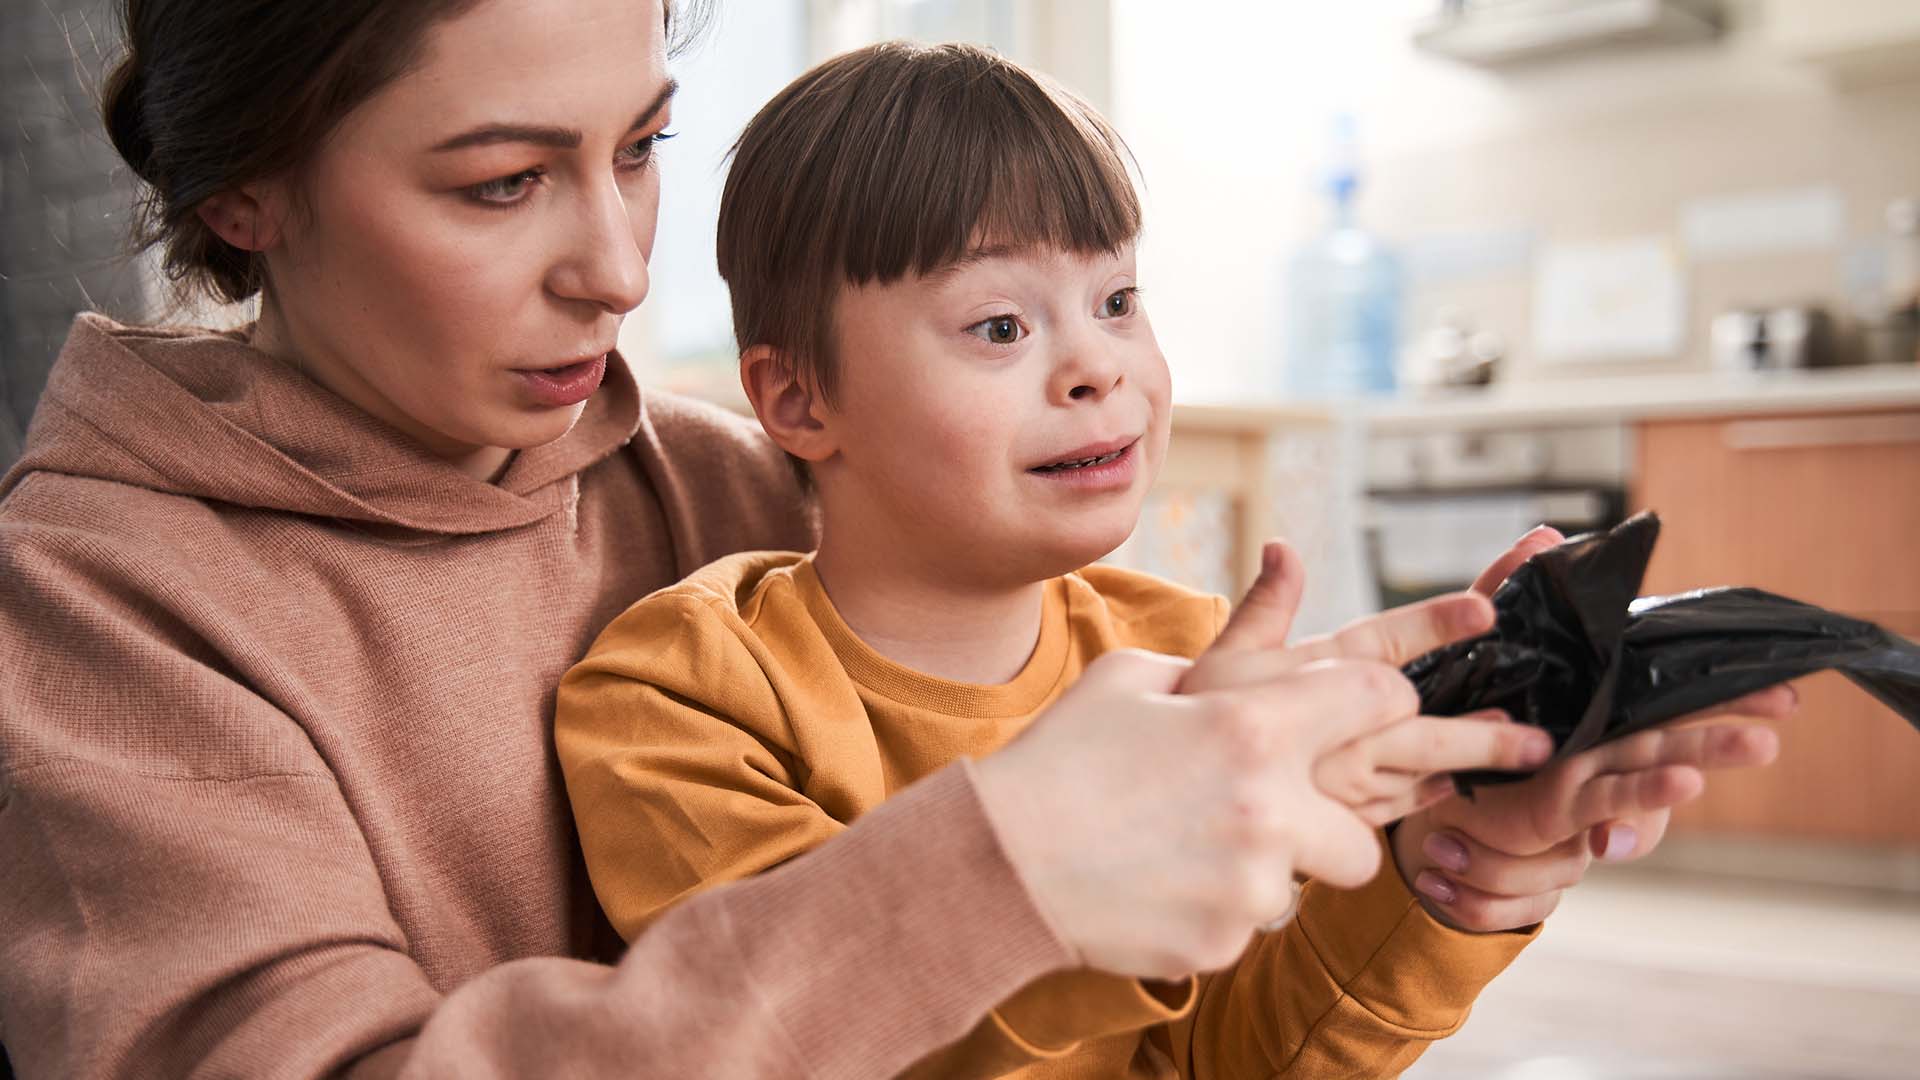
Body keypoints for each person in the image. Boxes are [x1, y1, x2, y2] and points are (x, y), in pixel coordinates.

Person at [0, 1, 1789, 1077]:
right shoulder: (101, 615)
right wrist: (1006, 869)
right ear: (244, 193)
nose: (619, 265)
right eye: (498, 183)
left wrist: (1444, 863)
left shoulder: (714, 491)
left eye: (640, 148)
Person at [553, 41, 1575, 1079]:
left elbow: (1229, 1059)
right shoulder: (678, 698)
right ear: (800, 400)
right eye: (1000, 326)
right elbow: (812, 1040)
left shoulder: (1184, 652)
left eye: (1119, 301)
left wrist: (1443, 873)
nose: (1097, 365)